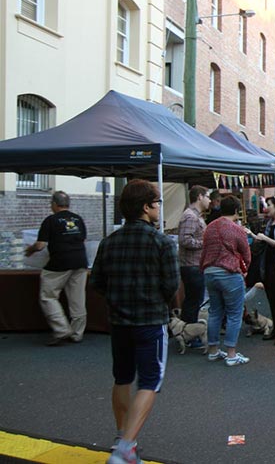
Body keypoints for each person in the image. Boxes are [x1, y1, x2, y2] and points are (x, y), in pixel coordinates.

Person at [90, 180, 179, 464]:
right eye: (157, 202)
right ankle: (126, 447)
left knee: (122, 377)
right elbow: (171, 285)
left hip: (119, 322)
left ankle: (122, 436)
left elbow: (98, 282)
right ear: (146, 207)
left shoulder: (109, 241)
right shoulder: (161, 242)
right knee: (150, 381)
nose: (159, 207)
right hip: (150, 321)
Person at [25, 191, 89, 346]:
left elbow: (41, 245)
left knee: (48, 296)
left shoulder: (51, 220)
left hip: (60, 263)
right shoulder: (78, 219)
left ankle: (61, 329)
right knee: (77, 299)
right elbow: (83, 239)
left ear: (54, 204)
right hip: (80, 261)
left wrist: (30, 250)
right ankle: (77, 333)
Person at [200, 195, 251, 367]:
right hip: (229, 273)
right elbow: (246, 254)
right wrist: (244, 271)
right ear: (236, 210)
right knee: (234, 314)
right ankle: (231, 354)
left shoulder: (209, 227)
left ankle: (213, 350)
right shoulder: (236, 229)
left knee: (215, 312)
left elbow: (203, 250)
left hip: (209, 272)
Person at [177, 185, 210, 326]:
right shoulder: (190, 216)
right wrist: (204, 243)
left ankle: (189, 331)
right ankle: (189, 332)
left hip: (196, 264)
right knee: (193, 300)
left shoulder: (196, 216)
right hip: (191, 266)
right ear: (200, 197)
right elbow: (184, 240)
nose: (210, 200)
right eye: (207, 196)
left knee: (195, 299)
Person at [252, 197, 275, 342]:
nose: (266, 208)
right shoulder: (269, 223)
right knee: (271, 298)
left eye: (269, 205)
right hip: (268, 265)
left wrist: (264, 238)